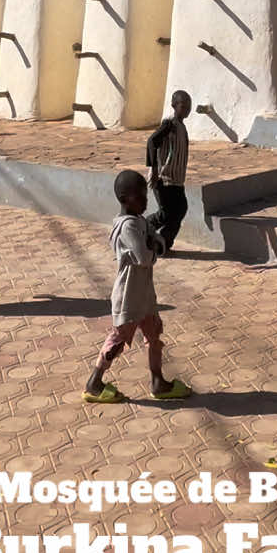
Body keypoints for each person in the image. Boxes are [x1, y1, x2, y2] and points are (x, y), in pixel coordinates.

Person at [84, 168, 191, 404]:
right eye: (140, 197)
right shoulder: (128, 227)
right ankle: (94, 382)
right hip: (129, 296)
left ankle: (158, 381)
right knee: (118, 340)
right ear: (125, 199)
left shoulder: (139, 221)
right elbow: (144, 256)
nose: (145, 201)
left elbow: (155, 237)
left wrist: (156, 241)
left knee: (154, 335)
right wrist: (155, 247)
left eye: (145, 195)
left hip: (144, 294)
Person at [145, 89, 191, 252]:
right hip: (164, 178)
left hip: (176, 179)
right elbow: (152, 142)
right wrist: (154, 169)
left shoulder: (182, 127)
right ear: (174, 106)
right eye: (183, 106)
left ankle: (162, 242)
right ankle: (142, 228)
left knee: (180, 209)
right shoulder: (169, 124)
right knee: (166, 213)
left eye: (188, 106)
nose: (187, 109)